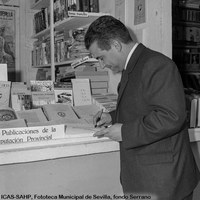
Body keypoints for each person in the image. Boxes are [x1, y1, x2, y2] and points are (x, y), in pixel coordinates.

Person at [84, 15, 200, 200]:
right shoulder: (134, 66)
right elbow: (142, 107)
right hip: (148, 178)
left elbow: (171, 116)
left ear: (115, 45)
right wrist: (112, 117)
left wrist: (125, 132)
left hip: (165, 182)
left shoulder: (156, 64)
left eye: (101, 57)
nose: (102, 64)